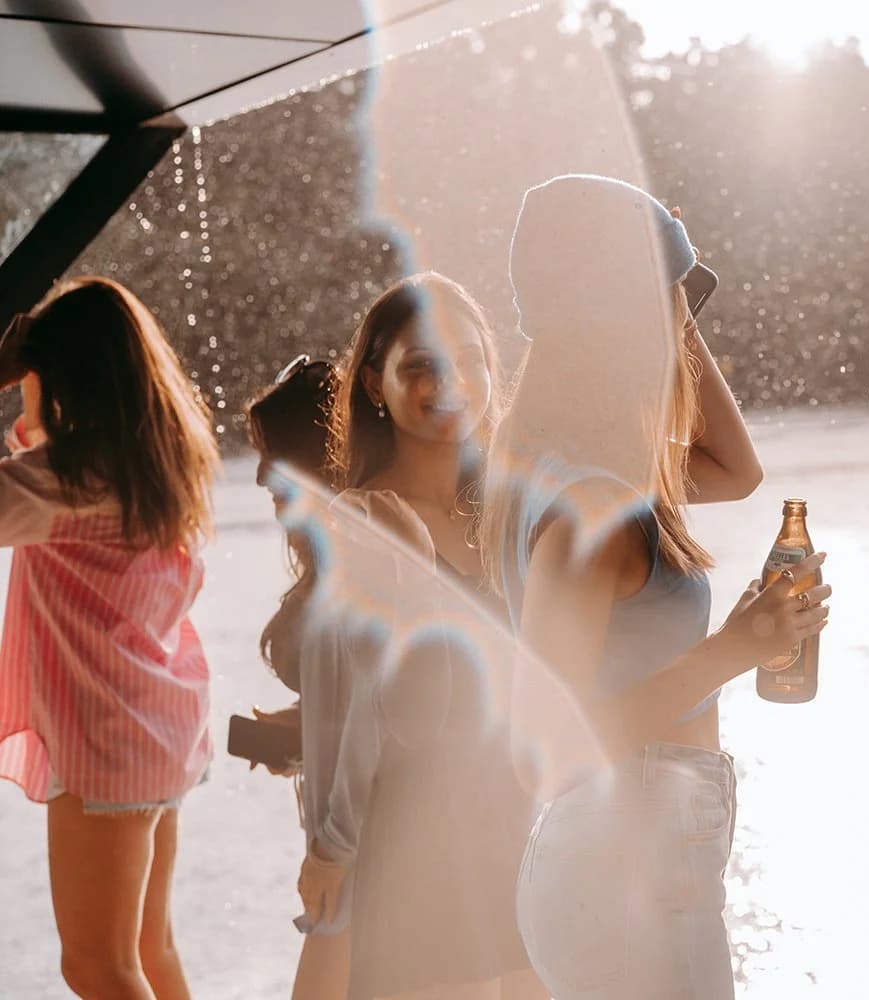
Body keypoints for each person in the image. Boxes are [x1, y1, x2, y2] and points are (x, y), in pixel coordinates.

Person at [483, 173, 831, 1000]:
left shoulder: (563, 469)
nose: (685, 319)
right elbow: (553, 737)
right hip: (627, 863)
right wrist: (734, 649)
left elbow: (738, 471)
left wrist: (667, 279)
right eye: (677, 301)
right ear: (626, 315)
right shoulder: (594, 509)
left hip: (626, 857)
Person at [294, 272, 545, 1000]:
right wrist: (332, 848)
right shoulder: (364, 520)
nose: (450, 383)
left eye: (469, 361)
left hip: (523, 824)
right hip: (421, 840)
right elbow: (359, 701)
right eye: (422, 365)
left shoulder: (514, 508)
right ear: (375, 382)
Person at [0, 278, 220, 1000]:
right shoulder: (156, 460)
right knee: (148, 948)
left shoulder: (59, 485)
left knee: (96, 965)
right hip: (158, 729)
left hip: (104, 746)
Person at [244, 354, 351, 999]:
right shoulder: (329, 549)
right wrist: (302, 729)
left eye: (275, 453)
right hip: (347, 839)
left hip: (367, 848)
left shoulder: (370, 554)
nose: (259, 474)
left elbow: (391, 720)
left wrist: (331, 853)